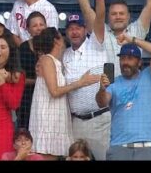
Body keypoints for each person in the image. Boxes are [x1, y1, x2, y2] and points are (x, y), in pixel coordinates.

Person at [73, 0, 151, 77]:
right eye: (114, 14)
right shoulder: (100, 32)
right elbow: (86, 10)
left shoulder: (136, 31)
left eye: (121, 13)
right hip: (107, 88)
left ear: (128, 17)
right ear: (108, 17)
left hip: (132, 88)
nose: (118, 17)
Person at [29, 27, 99, 160]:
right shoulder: (47, 60)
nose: (63, 40)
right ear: (56, 41)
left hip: (56, 115)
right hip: (47, 117)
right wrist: (80, 82)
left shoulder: (55, 61)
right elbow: (54, 91)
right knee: (47, 153)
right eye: (61, 37)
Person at [63, 0, 109, 160]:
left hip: (99, 119)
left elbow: (99, 18)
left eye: (78, 27)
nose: (74, 31)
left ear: (85, 30)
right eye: (70, 28)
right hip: (76, 123)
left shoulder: (96, 44)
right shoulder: (64, 55)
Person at [96, 33, 151, 160]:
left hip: (146, 147)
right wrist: (101, 89)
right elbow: (102, 102)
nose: (125, 62)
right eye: (122, 58)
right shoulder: (113, 83)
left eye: (130, 58)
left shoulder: (149, 76)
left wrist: (131, 40)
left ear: (139, 62)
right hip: (119, 147)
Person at [17, 11, 47, 129]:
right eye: (34, 26)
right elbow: (19, 79)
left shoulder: (55, 46)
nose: (39, 28)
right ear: (28, 29)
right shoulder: (23, 48)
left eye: (41, 24)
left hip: (49, 98)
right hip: (28, 99)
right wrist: (39, 81)